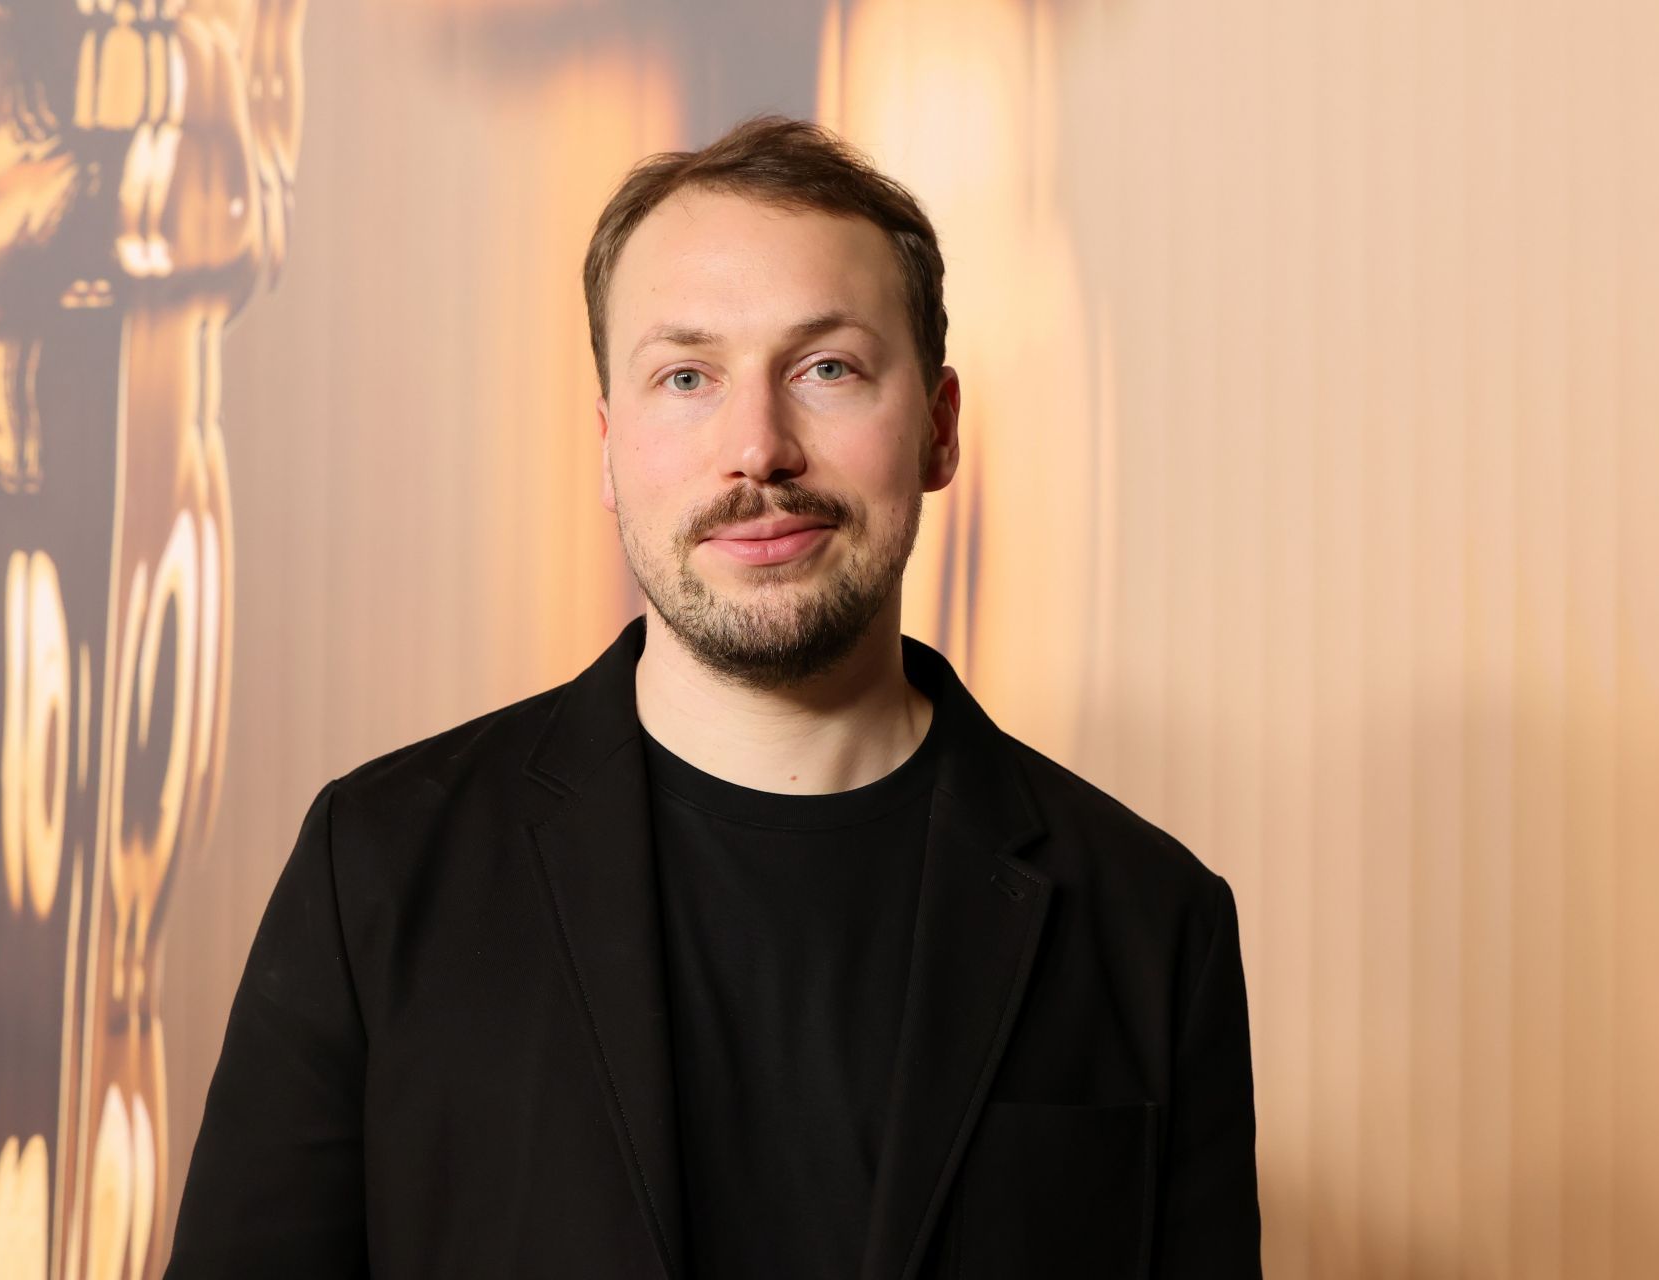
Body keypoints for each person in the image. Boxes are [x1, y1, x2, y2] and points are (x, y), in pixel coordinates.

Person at [165, 114, 1261, 1279]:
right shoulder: (376, 868)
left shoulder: (1152, 921)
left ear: (939, 427)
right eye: (686, 376)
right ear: (605, 446)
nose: (758, 448)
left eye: (827, 368)